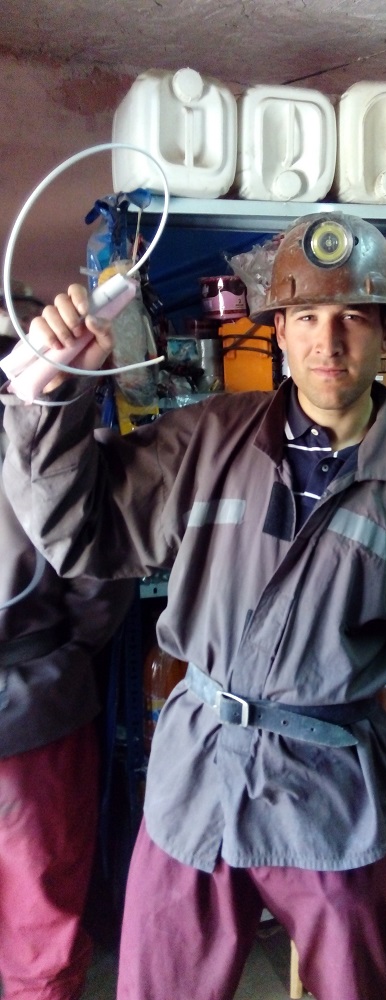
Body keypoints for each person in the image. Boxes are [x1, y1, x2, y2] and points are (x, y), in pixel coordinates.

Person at [1, 214, 386, 1000]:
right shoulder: (210, 438)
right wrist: (54, 395)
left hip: (332, 789)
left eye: (352, 317)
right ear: (278, 330)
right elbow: (83, 532)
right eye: (305, 317)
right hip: (197, 774)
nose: (328, 342)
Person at [0, 284, 136, 1000]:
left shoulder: (45, 408)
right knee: (41, 917)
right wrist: (65, 658)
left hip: (33, 706)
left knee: (39, 912)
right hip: (36, 703)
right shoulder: (45, 415)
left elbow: (98, 562)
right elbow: (99, 575)